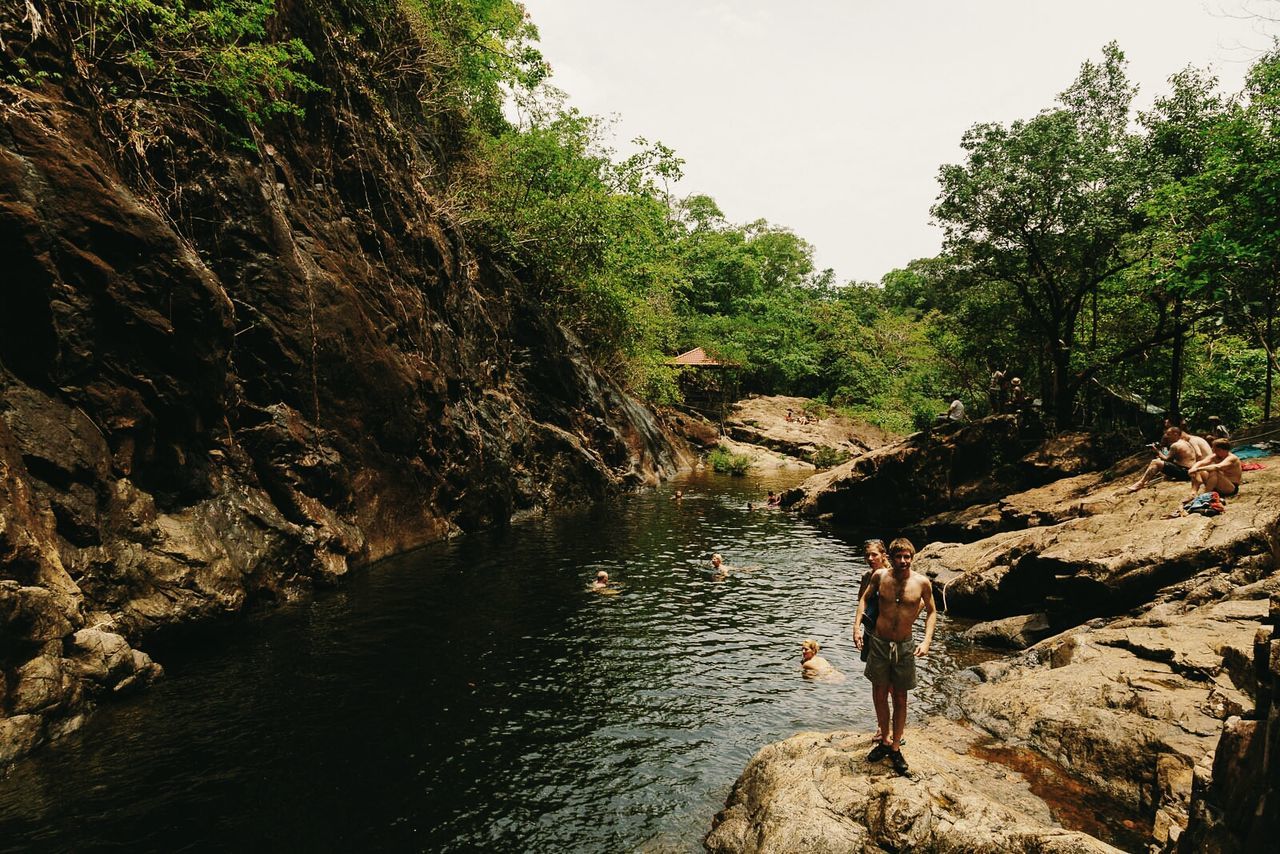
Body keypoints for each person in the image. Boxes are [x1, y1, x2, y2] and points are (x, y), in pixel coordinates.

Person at [852, 538, 936, 777]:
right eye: (898, 557)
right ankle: (885, 740)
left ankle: (896, 746)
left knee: (900, 696)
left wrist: (927, 640)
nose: (903, 561)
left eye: (907, 557)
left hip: (904, 645)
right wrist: (856, 627)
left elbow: (932, 612)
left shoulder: (922, 582)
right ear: (892, 556)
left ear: (912, 557)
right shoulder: (880, 577)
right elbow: (865, 599)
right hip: (879, 642)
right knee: (879, 693)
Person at [853, 539, 890, 743]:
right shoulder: (867, 576)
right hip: (870, 633)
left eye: (874, 554)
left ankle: (890, 728)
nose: (870, 559)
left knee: (891, 684)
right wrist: (856, 628)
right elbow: (862, 602)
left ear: (884, 555)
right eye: (867, 555)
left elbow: (917, 603)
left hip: (888, 636)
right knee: (877, 682)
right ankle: (881, 726)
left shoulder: (894, 576)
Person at [1127, 426, 1198, 492]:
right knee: (1161, 462)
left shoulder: (1175, 445)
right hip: (1191, 471)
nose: (1167, 436)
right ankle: (1145, 481)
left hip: (1185, 473)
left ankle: (1141, 483)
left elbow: (1167, 459)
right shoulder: (1185, 442)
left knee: (1155, 462)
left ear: (1175, 434)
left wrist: (1157, 451)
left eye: (1169, 434)